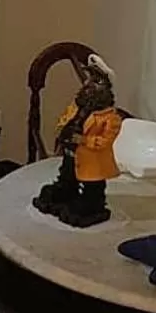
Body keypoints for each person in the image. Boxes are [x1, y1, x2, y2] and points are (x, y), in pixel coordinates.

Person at [33, 53, 123, 228]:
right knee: (67, 174)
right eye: (89, 79)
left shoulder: (111, 119)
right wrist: (61, 131)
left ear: (106, 89)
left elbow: (104, 142)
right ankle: (66, 192)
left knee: (92, 185)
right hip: (70, 152)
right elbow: (66, 119)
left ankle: (92, 204)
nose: (89, 84)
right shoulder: (77, 105)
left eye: (97, 82)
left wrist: (83, 140)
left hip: (92, 161)